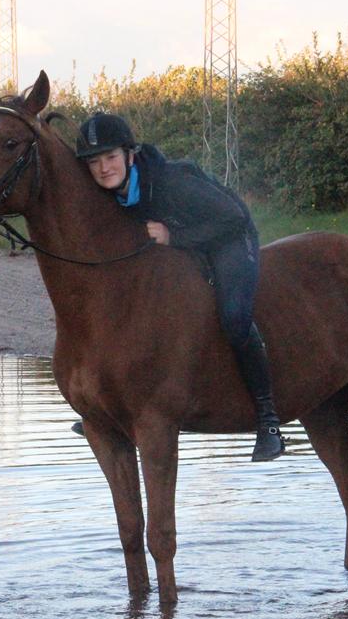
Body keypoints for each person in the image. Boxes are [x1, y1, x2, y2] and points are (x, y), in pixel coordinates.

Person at [71, 112, 284, 461]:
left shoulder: (172, 181)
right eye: (94, 162)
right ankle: (108, 408)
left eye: (110, 157)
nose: (103, 168)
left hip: (229, 237)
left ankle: (268, 420)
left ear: (130, 155)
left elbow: (233, 217)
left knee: (234, 317)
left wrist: (175, 236)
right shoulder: (109, 193)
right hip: (181, 246)